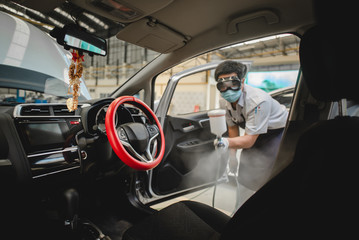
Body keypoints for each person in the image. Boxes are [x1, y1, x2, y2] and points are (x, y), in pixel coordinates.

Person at [214, 60, 288, 210]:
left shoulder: (257, 101)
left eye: (233, 84)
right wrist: (233, 157)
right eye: (222, 86)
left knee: (266, 172)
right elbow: (233, 129)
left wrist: (226, 143)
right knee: (245, 172)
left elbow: (248, 142)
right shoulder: (226, 102)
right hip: (253, 135)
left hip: (275, 133)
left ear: (242, 81)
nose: (228, 90)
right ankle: (239, 210)